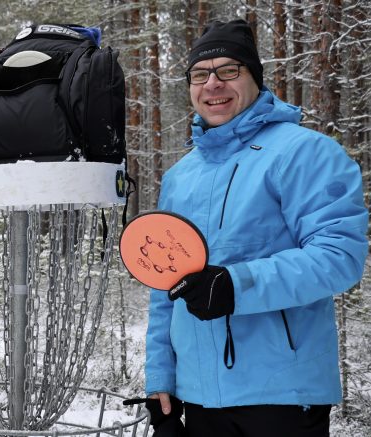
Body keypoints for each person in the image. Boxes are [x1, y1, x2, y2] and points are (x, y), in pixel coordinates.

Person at [144, 19, 368, 437]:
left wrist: (236, 284)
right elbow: (165, 288)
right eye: (199, 74)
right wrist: (161, 381)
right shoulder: (180, 176)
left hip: (281, 394)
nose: (213, 84)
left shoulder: (305, 152)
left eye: (229, 70)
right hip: (198, 396)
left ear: (254, 78)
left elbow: (340, 257)